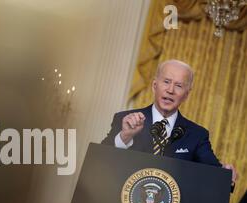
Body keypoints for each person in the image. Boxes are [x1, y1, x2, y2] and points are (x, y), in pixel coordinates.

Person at [101, 59, 237, 185]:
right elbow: (100, 160)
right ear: (155, 86)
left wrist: (226, 174)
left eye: (178, 85)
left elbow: (215, 173)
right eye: (166, 82)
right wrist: (125, 137)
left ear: (186, 94)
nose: (170, 90)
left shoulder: (197, 135)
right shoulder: (125, 119)